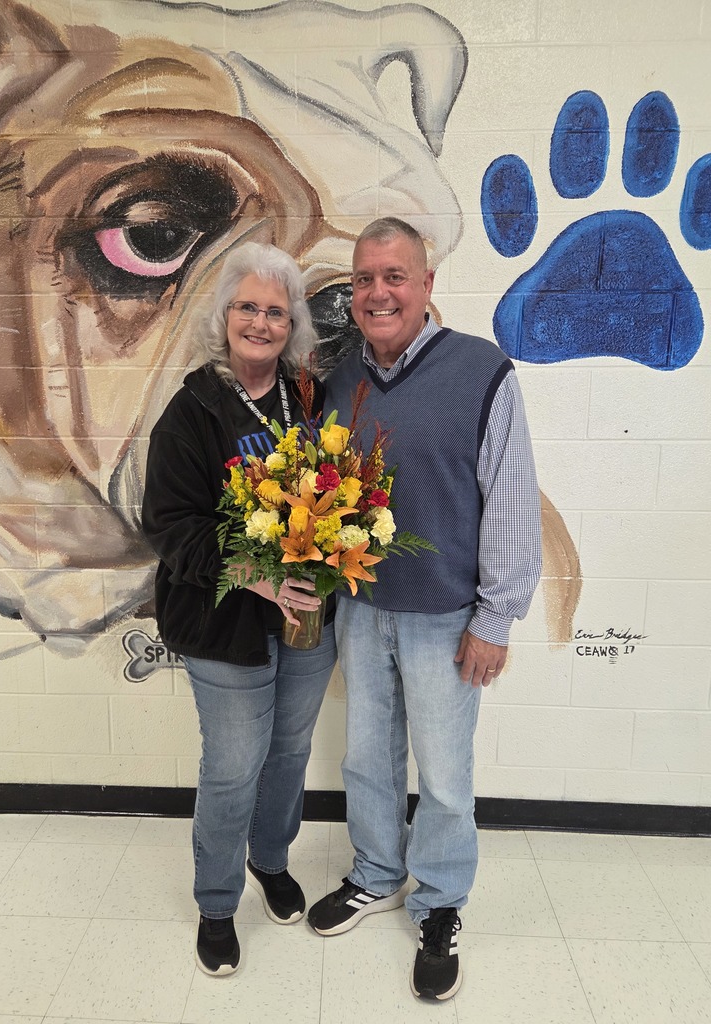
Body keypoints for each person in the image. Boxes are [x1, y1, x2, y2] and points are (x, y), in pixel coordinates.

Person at [308, 218, 542, 1001]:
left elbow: (509, 498)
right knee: (367, 759)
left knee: (443, 774)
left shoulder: (482, 371)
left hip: (448, 618)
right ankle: (377, 873)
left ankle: (439, 901)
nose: (378, 292)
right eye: (365, 278)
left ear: (427, 282)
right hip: (363, 608)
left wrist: (495, 618)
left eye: (395, 276)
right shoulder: (339, 378)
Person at [141, 241, 337, 977]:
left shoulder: (306, 396)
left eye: (276, 312)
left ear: (293, 326)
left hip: (306, 620)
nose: (261, 322)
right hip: (225, 625)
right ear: (224, 317)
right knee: (232, 766)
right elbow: (168, 526)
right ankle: (218, 903)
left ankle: (271, 860)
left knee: (288, 753)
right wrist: (255, 577)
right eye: (248, 307)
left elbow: (339, 493)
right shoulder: (192, 409)